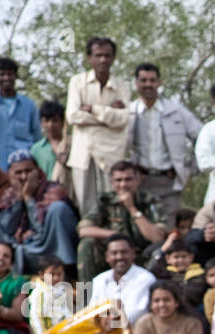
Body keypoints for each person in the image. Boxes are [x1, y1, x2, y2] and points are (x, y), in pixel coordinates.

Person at [128, 63, 203, 224]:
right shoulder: (129, 112)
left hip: (169, 181)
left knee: (169, 229)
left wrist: (191, 168)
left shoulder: (175, 110)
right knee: (141, 228)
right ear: (136, 83)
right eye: (143, 80)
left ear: (159, 82)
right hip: (140, 181)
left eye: (152, 80)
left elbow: (202, 137)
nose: (148, 84)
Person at [0, 149, 77, 275]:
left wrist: (28, 198)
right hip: (22, 250)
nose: (23, 177)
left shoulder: (53, 189)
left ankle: (67, 269)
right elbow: (7, 228)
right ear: (10, 175)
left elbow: (41, 229)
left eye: (28, 171)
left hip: (48, 249)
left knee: (59, 208)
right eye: (18, 173)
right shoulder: (9, 194)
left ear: (37, 171)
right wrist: (18, 199)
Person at [66, 37, 130, 217]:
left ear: (113, 58)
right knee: (87, 209)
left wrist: (94, 110)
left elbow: (124, 119)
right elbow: (73, 116)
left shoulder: (122, 86)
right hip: (83, 154)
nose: (103, 60)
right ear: (90, 58)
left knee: (114, 207)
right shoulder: (77, 82)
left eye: (107, 56)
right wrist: (109, 114)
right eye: (98, 55)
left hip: (111, 154)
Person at [76, 160, 165, 281]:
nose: (123, 184)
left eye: (128, 179)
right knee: (87, 244)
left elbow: (157, 237)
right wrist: (114, 235)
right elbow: (83, 230)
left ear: (137, 180)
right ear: (112, 182)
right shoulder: (106, 200)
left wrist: (132, 208)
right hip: (114, 254)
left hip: (143, 253)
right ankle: (86, 295)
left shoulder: (150, 201)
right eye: (118, 180)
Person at [0, 58, 38, 169]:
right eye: (2, 74)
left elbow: (37, 136)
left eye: (10, 74)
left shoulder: (29, 105)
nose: (6, 78)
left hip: (23, 165)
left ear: (16, 76)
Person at [90, 232, 157, 327]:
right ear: (107, 257)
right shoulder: (99, 279)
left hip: (135, 333)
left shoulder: (145, 278)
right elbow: (93, 311)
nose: (119, 257)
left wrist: (109, 321)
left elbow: (134, 314)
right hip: (105, 333)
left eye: (124, 252)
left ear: (133, 253)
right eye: (114, 253)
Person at [32, 100, 71, 195]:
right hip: (47, 195)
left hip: (71, 192)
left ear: (62, 122)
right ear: (41, 123)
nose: (50, 125)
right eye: (46, 121)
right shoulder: (36, 149)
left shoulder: (72, 145)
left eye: (55, 120)